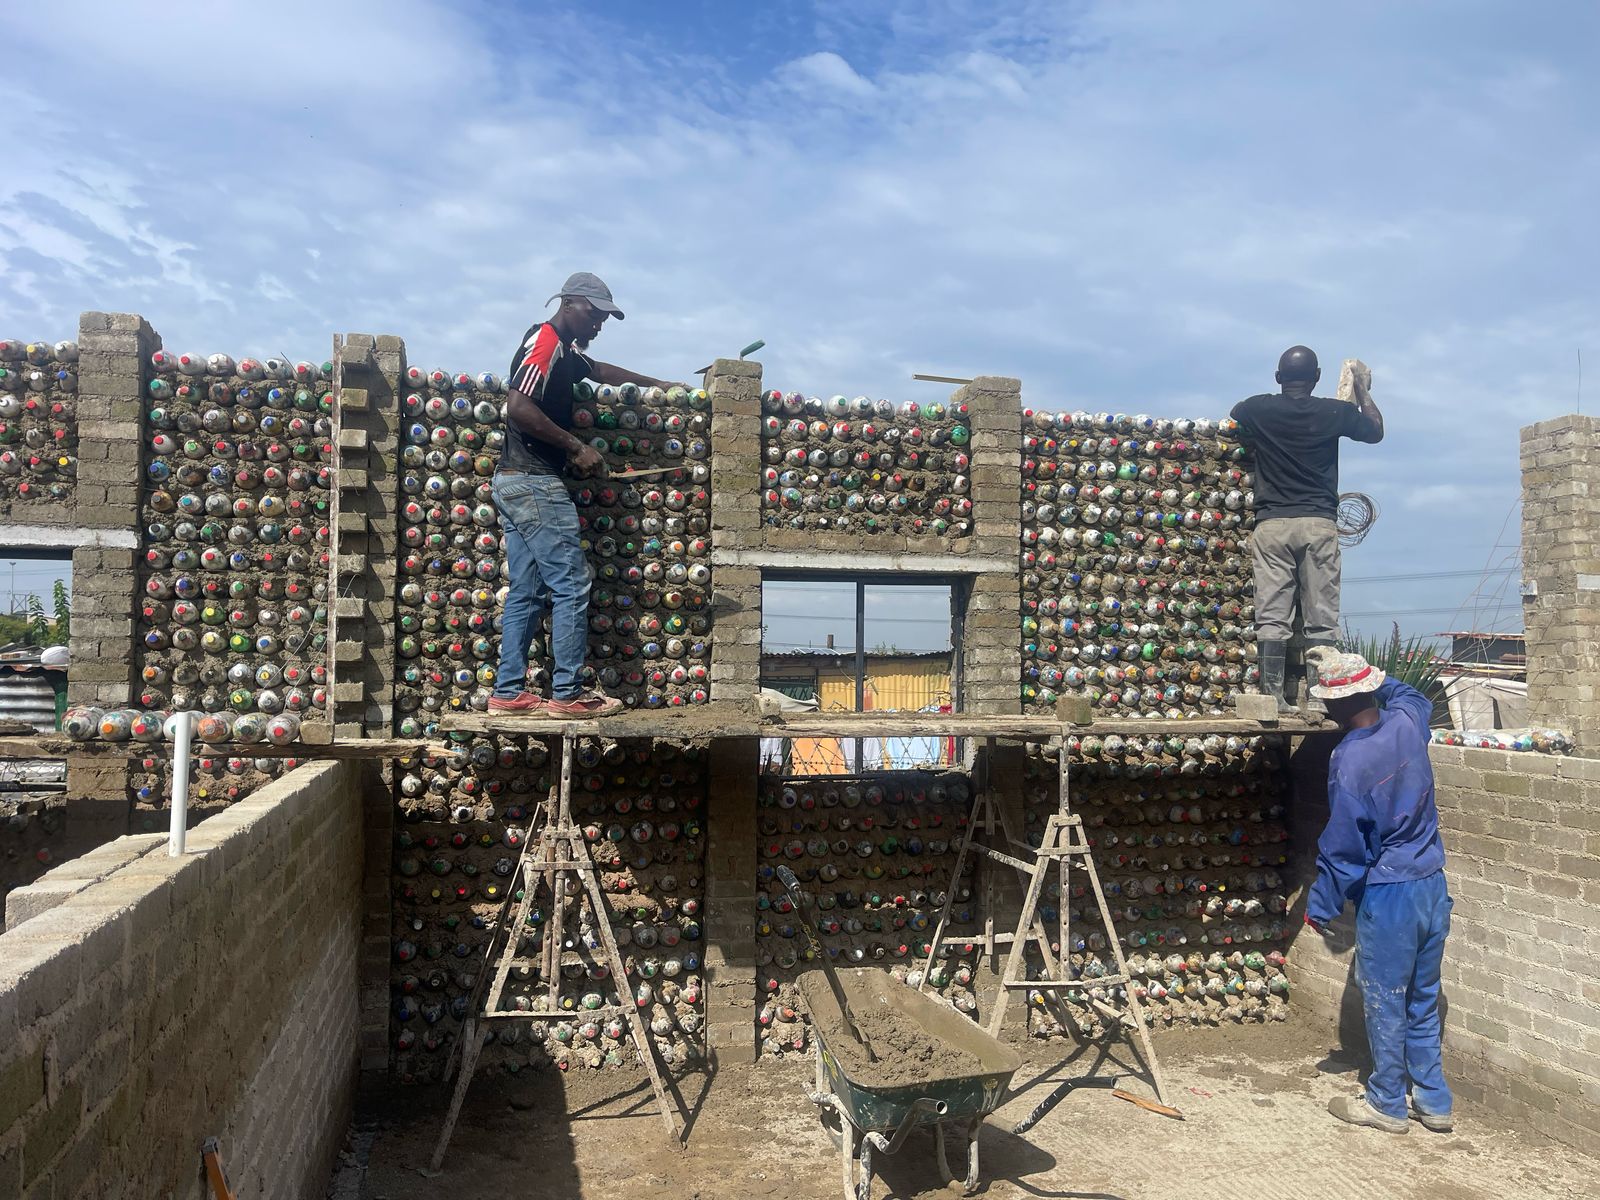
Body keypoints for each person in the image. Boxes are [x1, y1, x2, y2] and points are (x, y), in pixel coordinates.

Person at [489, 272, 682, 716]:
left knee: (527, 591)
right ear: (570, 304)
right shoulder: (545, 340)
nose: (598, 325)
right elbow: (518, 406)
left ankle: (507, 693)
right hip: (534, 480)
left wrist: (664, 385)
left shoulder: (566, 350)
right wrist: (576, 447)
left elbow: (602, 372)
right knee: (572, 583)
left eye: (603, 320)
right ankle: (569, 694)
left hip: (514, 480)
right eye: (594, 316)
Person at [1303, 646, 1453, 1135]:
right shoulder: (1408, 723)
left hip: (1390, 894)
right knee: (1422, 995)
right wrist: (1359, 669)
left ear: (1337, 706)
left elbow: (1345, 847)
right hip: (1431, 882)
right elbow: (1410, 693)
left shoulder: (1350, 759)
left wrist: (1321, 904)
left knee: (1386, 997)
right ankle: (1433, 1101)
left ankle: (1387, 1102)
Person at [1231, 347, 1384, 712]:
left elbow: (1236, 417)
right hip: (1318, 524)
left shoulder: (1258, 408)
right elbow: (1376, 431)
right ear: (1316, 378)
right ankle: (1317, 698)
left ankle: (1273, 696)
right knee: (1321, 614)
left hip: (1272, 524)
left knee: (1272, 610)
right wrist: (1361, 389)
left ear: (1278, 377)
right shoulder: (1336, 412)